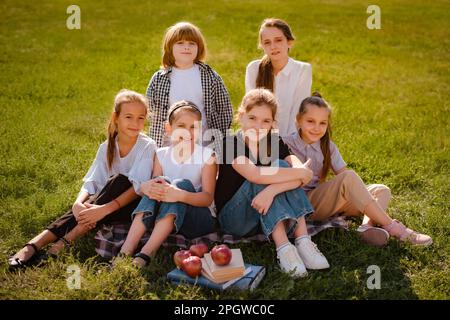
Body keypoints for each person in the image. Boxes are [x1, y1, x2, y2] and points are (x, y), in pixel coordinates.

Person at [8, 89, 157, 271]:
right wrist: (78, 204)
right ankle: (34, 244)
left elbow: (138, 189)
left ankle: (66, 239)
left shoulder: (147, 146)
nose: (135, 123)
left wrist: (103, 210)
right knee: (90, 201)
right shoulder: (107, 147)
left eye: (141, 118)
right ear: (115, 117)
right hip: (103, 204)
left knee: (119, 180)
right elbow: (93, 181)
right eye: (129, 117)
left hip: (132, 208)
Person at [283, 92, 433, 247]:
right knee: (349, 177)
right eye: (310, 121)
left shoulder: (327, 146)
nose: (316, 128)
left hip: (324, 201)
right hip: (302, 205)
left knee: (381, 190)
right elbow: (346, 179)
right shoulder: (285, 144)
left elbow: (346, 180)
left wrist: (356, 195)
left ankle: (366, 227)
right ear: (298, 120)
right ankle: (395, 228)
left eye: (323, 123)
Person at [215, 88, 329, 278]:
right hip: (233, 219)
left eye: (266, 120)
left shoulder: (274, 142)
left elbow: (303, 172)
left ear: (273, 123)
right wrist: (294, 175)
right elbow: (256, 175)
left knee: (280, 165)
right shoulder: (229, 143)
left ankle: (303, 241)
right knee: (270, 171)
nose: (258, 125)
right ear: (241, 117)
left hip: (260, 214)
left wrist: (272, 191)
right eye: (252, 118)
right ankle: (284, 248)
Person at [119, 100, 217, 267]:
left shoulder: (208, 156)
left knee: (181, 183)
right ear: (169, 128)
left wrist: (179, 194)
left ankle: (146, 252)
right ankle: (126, 249)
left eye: (194, 127)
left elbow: (207, 198)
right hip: (166, 219)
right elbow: (157, 192)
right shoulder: (161, 154)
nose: (187, 132)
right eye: (181, 126)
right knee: (158, 182)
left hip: (198, 220)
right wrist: (153, 187)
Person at [147, 21, 233, 148]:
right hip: (169, 144)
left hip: (204, 143)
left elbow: (224, 108)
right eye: (180, 43)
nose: (186, 47)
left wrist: (220, 140)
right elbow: (151, 111)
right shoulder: (160, 78)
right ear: (170, 48)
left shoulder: (209, 76)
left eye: (191, 43)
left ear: (199, 48)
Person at [245, 18, 312, 137]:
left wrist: (285, 147)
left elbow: (298, 113)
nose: (273, 47)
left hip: (290, 141)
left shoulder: (302, 70)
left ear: (289, 42)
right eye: (267, 42)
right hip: (258, 138)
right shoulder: (253, 69)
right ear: (262, 46)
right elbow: (251, 111)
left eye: (278, 40)